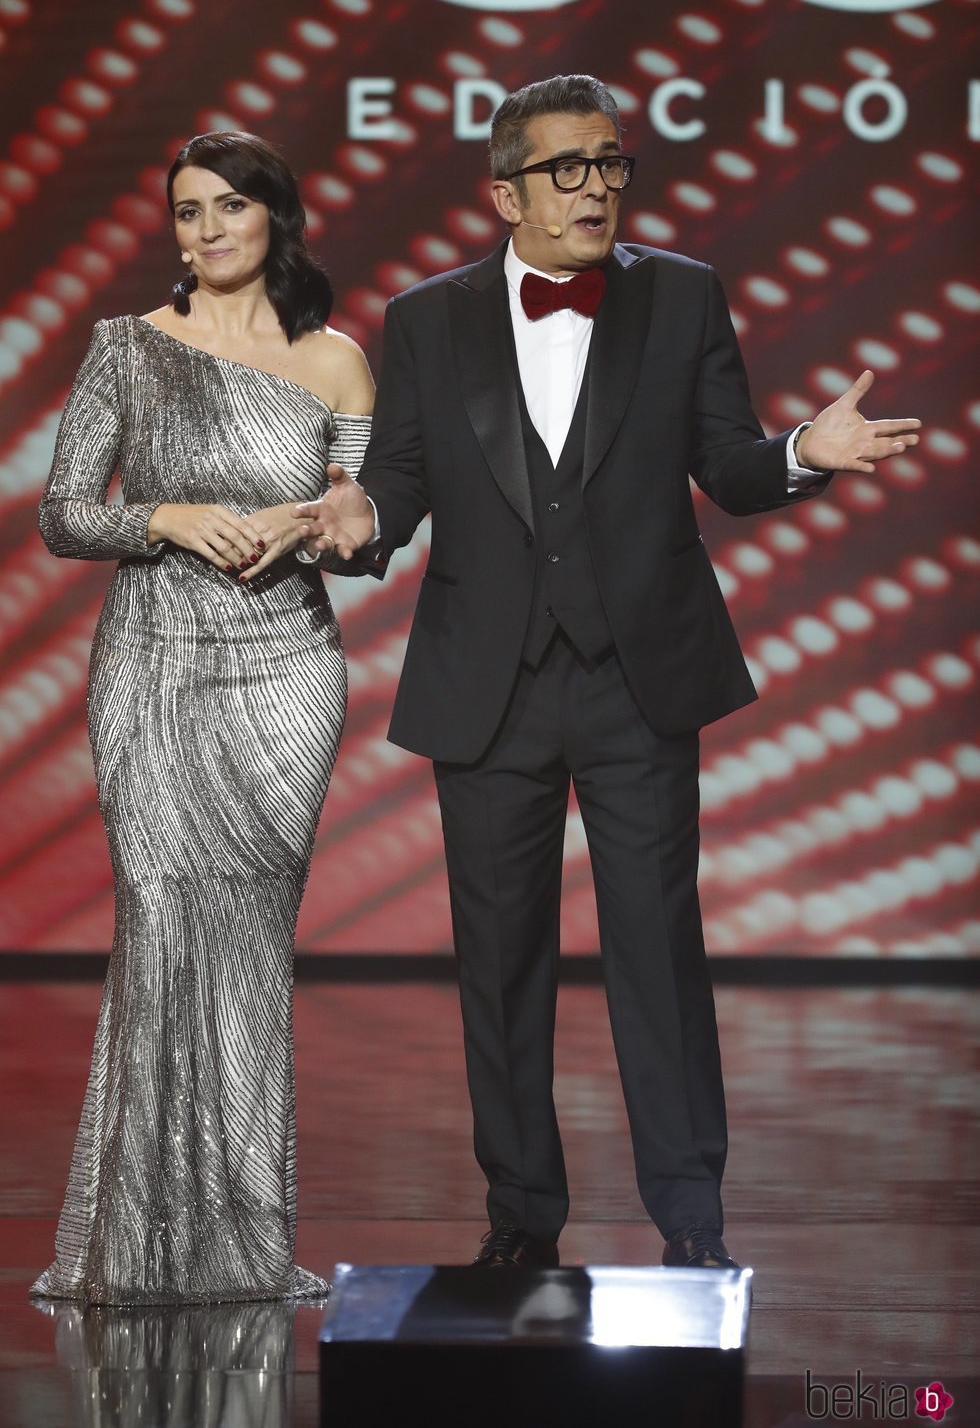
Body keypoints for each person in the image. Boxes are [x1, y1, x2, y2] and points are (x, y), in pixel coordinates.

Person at [294, 75, 920, 1270]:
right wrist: (356, 519)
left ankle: (690, 1222)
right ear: (504, 191)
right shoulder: (428, 319)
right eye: (567, 168)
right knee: (499, 962)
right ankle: (521, 1224)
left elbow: (728, 465)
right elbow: (405, 482)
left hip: (640, 676)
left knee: (657, 948)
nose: (594, 188)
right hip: (490, 683)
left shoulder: (682, 297)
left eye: (609, 163)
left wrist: (805, 452)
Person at [32, 131, 374, 1304]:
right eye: (188, 212)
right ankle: (136, 1243)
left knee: (248, 951)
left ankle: (239, 1243)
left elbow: (365, 533)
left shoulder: (337, 363)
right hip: (155, 666)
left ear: (277, 217)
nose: (209, 229)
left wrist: (320, 522)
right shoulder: (127, 349)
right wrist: (169, 515)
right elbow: (66, 513)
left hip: (286, 674)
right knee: (163, 927)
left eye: (231, 206)